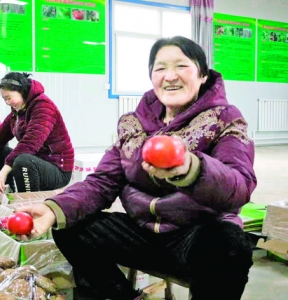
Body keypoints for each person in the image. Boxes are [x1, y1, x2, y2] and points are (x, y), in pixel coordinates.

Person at [16, 36, 257, 300]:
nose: (170, 76)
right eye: (160, 68)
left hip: (195, 238)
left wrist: (192, 168)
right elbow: (102, 183)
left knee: (230, 243)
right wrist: (53, 209)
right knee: (71, 226)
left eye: (181, 66)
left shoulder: (225, 118)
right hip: (142, 232)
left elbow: (240, 185)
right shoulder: (133, 124)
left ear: (202, 74)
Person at [0, 72, 74, 194]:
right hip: (35, 161)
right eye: (5, 99)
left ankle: (27, 203)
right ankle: (7, 194)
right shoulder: (18, 111)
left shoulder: (43, 106)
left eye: (9, 98)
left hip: (57, 168)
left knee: (23, 160)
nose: (7, 103)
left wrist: (3, 172)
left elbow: (30, 143)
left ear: (22, 92)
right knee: (0, 150)